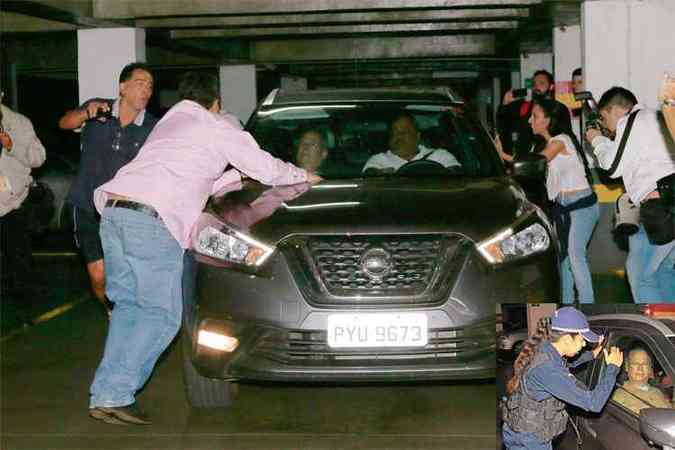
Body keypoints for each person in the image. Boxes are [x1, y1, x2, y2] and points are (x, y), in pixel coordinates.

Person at [87, 71, 321, 425]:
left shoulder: (170, 124)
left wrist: (235, 178)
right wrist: (302, 175)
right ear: (216, 104)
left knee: (130, 309)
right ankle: (116, 393)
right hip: (152, 222)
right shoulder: (216, 124)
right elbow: (265, 166)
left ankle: (104, 394)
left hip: (115, 215)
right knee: (161, 316)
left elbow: (198, 174)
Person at [59, 62, 158, 318]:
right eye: (140, 83)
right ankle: (111, 311)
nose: (146, 90)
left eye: (150, 86)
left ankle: (127, 313)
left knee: (126, 270)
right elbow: (64, 123)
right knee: (98, 272)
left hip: (123, 211)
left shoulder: (152, 127)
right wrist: (85, 115)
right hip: (85, 204)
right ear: (122, 87)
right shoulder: (99, 108)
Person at [586, 87, 675, 302]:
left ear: (616, 110)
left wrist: (596, 139)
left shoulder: (634, 119)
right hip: (666, 203)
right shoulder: (656, 118)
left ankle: (659, 327)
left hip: (659, 207)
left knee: (641, 275)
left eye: (604, 118)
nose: (606, 126)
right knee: (663, 270)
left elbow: (611, 166)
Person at [502, 306, 624, 450]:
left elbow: (565, 364)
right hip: (529, 440)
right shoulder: (547, 370)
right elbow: (593, 403)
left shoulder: (546, 348)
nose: (585, 344)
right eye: (582, 340)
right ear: (566, 339)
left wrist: (591, 354)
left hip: (521, 432)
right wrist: (612, 369)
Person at [531, 99, 598, 303]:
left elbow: (535, 163)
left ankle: (588, 305)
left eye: (534, 116)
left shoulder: (560, 141)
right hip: (565, 208)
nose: (529, 121)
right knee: (566, 260)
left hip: (582, 206)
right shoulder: (551, 143)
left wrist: (506, 157)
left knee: (575, 255)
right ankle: (567, 305)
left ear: (549, 120)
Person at [0, 95, 46, 322]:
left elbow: (39, 158)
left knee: (18, 260)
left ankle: (26, 316)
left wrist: (11, 146)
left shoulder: (19, 123)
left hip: (14, 203)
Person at [362, 111, 460, 174]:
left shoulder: (440, 156)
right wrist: (380, 174)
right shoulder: (379, 160)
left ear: (417, 136)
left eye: (404, 132)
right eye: (394, 133)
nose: (398, 136)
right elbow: (369, 174)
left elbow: (457, 174)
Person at [497, 70, 564, 160]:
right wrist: (505, 104)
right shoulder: (525, 106)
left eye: (541, 83)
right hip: (526, 158)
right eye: (534, 84)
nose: (537, 87)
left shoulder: (558, 109)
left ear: (551, 86)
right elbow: (505, 124)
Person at [611, 348, 671, 415]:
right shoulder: (620, 395)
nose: (640, 368)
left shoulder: (657, 392)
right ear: (627, 367)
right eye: (635, 363)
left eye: (644, 364)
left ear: (649, 369)